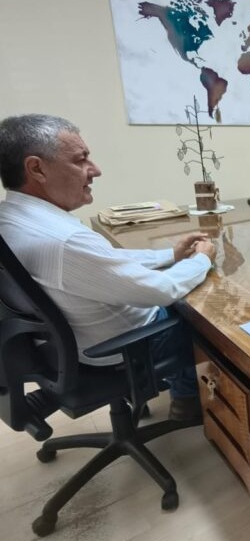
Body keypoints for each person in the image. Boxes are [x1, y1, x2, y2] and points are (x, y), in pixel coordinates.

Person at [0, 114, 217, 422]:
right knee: (207, 316)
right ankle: (186, 398)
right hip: (121, 346)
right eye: (80, 159)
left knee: (184, 284)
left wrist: (170, 254)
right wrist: (202, 259)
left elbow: (102, 263)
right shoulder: (64, 241)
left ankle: (167, 393)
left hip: (63, 348)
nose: (95, 170)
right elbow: (160, 291)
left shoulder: (12, 217)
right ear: (37, 168)